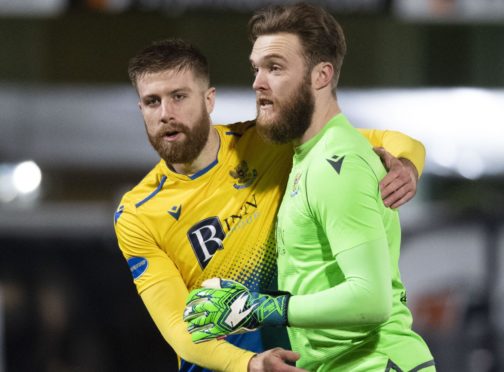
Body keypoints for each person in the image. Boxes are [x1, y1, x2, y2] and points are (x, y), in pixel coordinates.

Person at [114, 38, 426, 372]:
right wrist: (249, 364)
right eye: (152, 101)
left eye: (178, 97)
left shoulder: (268, 142)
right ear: (141, 110)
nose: (165, 114)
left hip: (306, 360)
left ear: (209, 100)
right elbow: (179, 326)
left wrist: (407, 165)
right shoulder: (137, 214)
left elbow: (392, 140)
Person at [184, 3, 435, 372]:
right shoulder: (309, 157)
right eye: (256, 68)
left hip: (377, 364)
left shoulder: (337, 163)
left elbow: (371, 298)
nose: (257, 82)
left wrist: (258, 309)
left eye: (275, 67)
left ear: (321, 76)